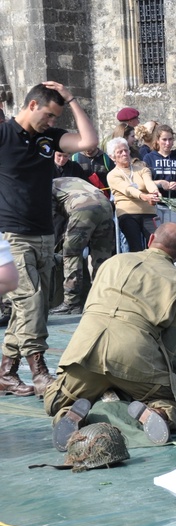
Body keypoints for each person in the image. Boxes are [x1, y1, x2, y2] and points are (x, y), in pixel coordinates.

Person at [44, 223, 176, 448]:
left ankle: (71, 415)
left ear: (151, 239)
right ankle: (158, 413)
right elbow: (170, 346)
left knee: (56, 399)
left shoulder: (112, 262)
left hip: (83, 350)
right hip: (134, 355)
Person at [1, 81, 98, 398]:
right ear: (32, 105)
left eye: (57, 118)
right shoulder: (4, 135)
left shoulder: (49, 138)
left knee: (32, 308)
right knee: (30, 301)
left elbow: (88, 141)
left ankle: (5, 372)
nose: (52, 122)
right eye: (49, 115)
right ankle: (40, 371)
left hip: (44, 233)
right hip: (11, 234)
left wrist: (71, 99)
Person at [49, 177, 115, 315]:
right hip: (105, 205)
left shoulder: (48, 186)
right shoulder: (70, 180)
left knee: (71, 254)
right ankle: (103, 299)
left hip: (83, 207)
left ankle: (71, 303)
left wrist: (59, 242)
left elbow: (54, 218)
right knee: (102, 257)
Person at [106, 136, 160, 252]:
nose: (124, 154)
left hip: (148, 212)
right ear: (112, 157)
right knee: (135, 246)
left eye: (126, 150)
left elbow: (149, 182)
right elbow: (128, 189)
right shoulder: (112, 175)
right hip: (128, 214)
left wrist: (155, 192)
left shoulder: (142, 169)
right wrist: (144, 196)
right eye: (120, 152)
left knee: (156, 244)